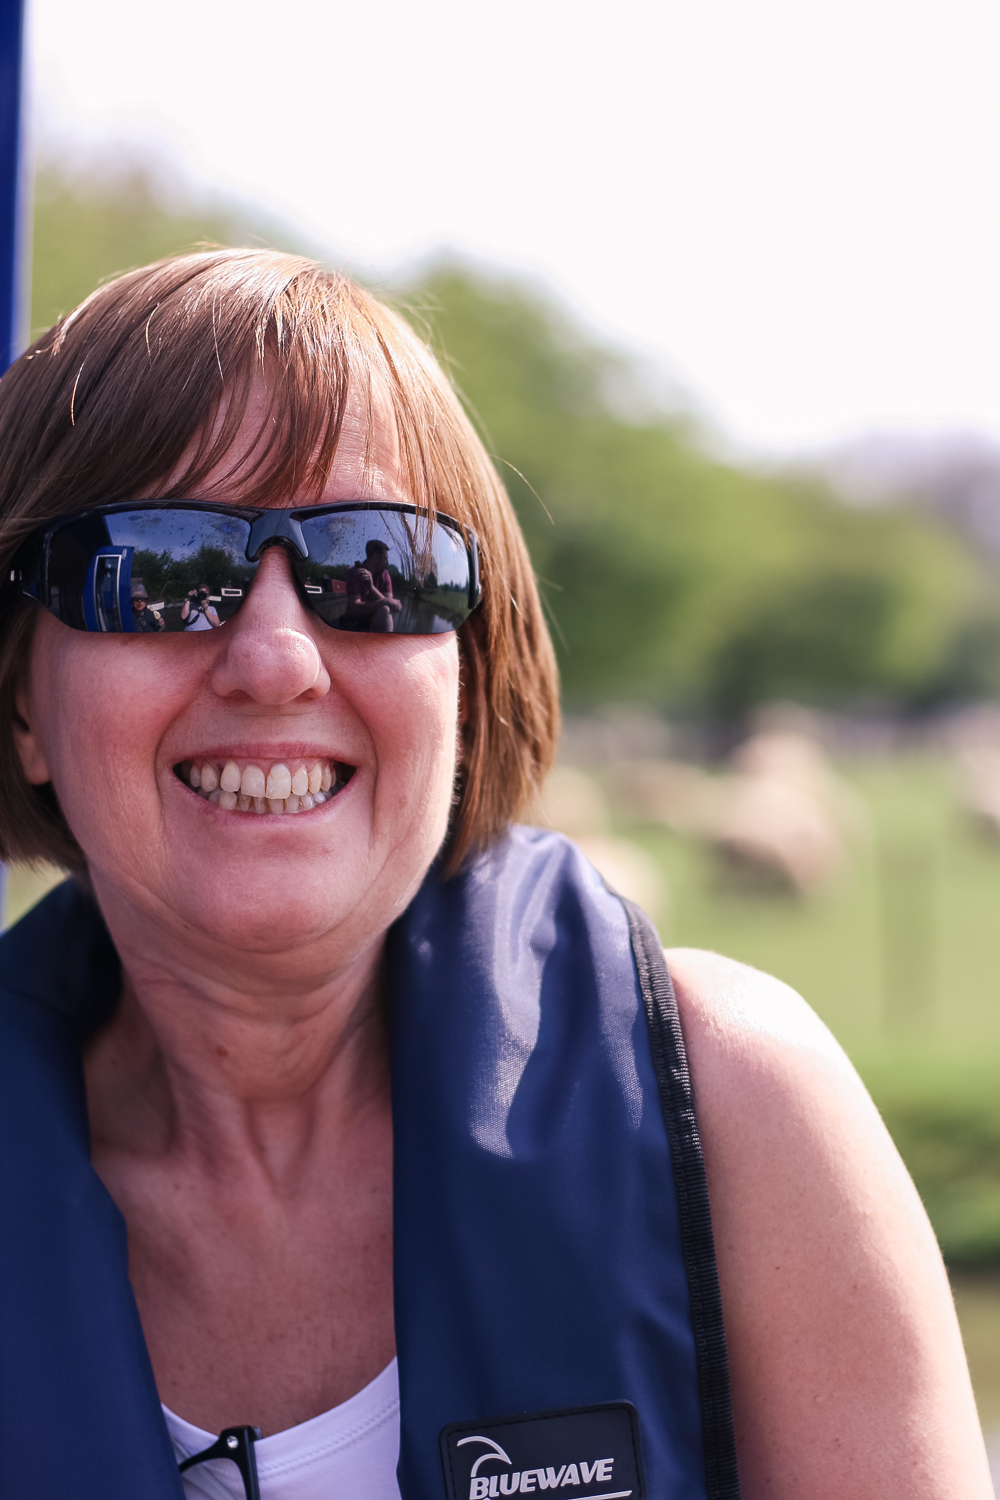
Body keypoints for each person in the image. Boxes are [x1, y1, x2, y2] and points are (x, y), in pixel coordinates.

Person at [0, 249, 991, 1500]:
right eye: (155, 569)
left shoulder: (736, 1109)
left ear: (466, 677)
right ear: (23, 701)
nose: (275, 659)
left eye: (378, 567)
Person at [343, 540, 403, 632]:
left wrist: (372, 588)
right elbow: (354, 607)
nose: (387, 562)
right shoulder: (353, 572)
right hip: (353, 621)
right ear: (375, 557)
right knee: (385, 607)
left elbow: (391, 606)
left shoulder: (386, 575)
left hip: (375, 618)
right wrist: (385, 601)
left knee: (385, 610)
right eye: (385, 558)